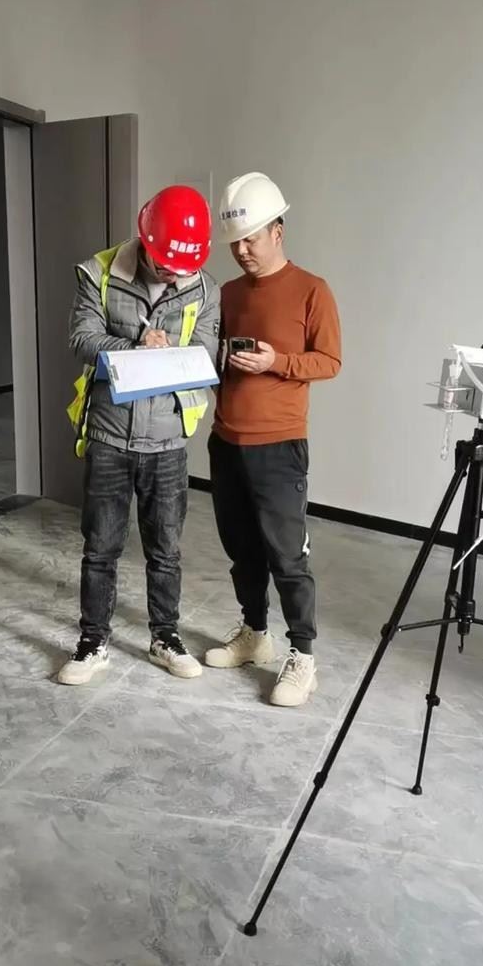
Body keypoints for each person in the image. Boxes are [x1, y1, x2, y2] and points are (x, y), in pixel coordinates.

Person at [58, 186, 220, 686]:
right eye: (165, 264)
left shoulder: (203, 288)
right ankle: (93, 642)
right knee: (100, 548)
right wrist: (135, 346)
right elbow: (81, 338)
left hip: (168, 441)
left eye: (182, 267)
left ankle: (165, 637)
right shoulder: (100, 273)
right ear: (145, 240)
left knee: (165, 551)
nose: (173, 274)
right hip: (109, 435)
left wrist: (168, 355)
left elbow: (205, 355)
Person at [205, 173, 341, 707]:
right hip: (226, 441)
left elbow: (329, 361)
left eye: (251, 239)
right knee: (242, 551)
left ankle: (302, 657)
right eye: (235, 243)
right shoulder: (228, 293)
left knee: (287, 557)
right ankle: (255, 634)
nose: (241, 251)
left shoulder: (312, 290)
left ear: (277, 231)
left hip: (279, 445)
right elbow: (214, 356)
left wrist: (276, 362)